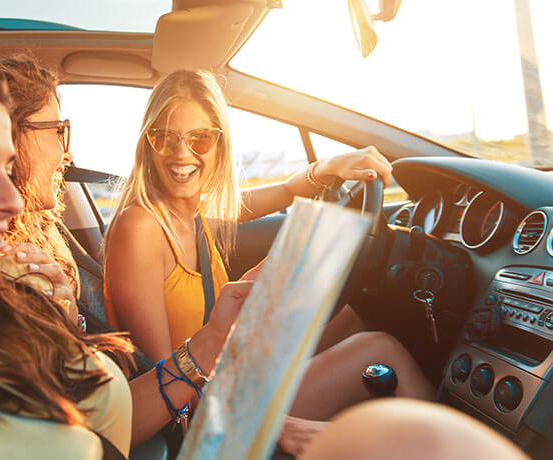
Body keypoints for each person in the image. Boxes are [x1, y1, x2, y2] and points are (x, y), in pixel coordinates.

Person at [0, 32, 530, 460]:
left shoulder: (1, 309)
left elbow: (116, 414)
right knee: (402, 423)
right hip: (193, 438)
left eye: (9, 164)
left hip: (175, 416)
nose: (10, 199)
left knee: (383, 379)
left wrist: (211, 342)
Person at [102, 69, 435, 421]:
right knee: (380, 350)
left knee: (356, 319)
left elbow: (288, 190)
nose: (182, 154)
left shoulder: (193, 212)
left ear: (220, 144)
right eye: (165, 138)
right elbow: (165, 384)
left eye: (199, 138)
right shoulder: (140, 227)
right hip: (206, 411)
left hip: (230, 371)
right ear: (147, 145)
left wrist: (333, 165)